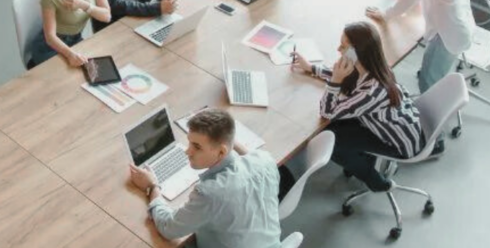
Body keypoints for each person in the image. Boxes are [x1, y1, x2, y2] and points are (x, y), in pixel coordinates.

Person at [366, 0, 474, 153]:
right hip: (458, 24)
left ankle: (432, 141)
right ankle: (431, 120)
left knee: (429, 83)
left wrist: (386, 15)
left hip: (448, 32)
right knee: (430, 76)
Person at [293, 21, 424, 192]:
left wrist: (335, 81)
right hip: (391, 124)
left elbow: (327, 111)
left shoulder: (371, 92)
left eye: (343, 46)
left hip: (398, 143)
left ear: (357, 53)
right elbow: (348, 78)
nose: (338, 49)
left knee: (333, 144)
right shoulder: (371, 66)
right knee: (333, 127)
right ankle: (361, 158)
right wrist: (311, 68)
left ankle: (378, 183)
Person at [128, 108, 281, 248]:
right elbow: (249, 156)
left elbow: (168, 228)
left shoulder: (211, 193)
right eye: (189, 142)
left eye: (197, 146)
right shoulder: (266, 160)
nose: (187, 151)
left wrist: (153, 186)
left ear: (221, 152)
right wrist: (223, 135)